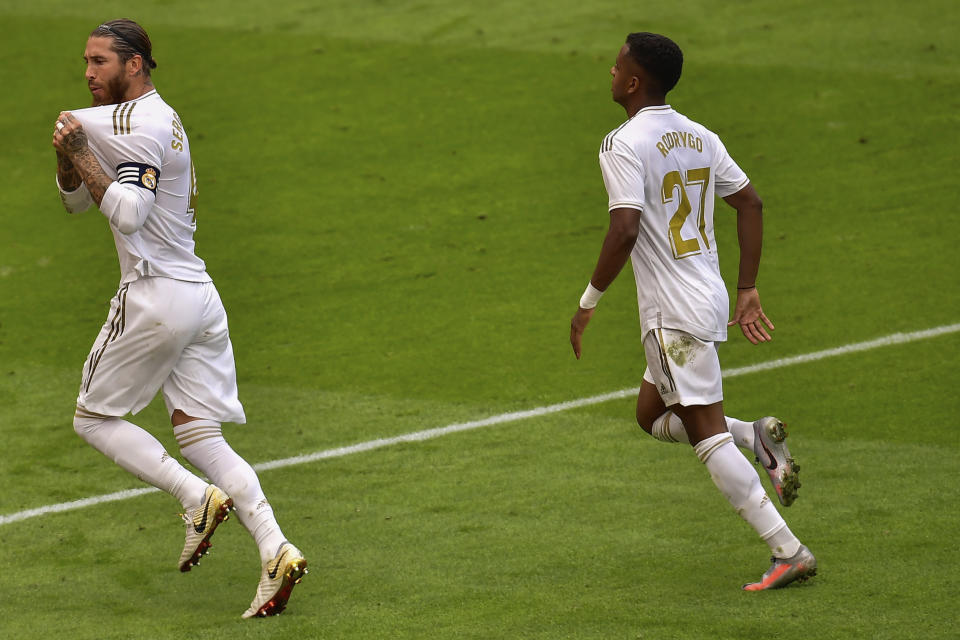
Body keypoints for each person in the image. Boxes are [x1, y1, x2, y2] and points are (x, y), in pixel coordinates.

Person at [52, 19, 307, 617]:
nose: (88, 73)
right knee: (198, 433)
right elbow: (72, 199)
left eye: (100, 63)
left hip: (155, 296)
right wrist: (69, 157)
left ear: (134, 64)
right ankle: (275, 549)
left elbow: (130, 214)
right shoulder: (141, 119)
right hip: (199, 293)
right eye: (85, 62)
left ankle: (196, 497)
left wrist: (80, 150)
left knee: (93, 419)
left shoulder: (137, 126)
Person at [569, 32, 816, 590]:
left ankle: (789, 550)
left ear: (633, 82)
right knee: (649, 415)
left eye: (616, 66)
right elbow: (748, 201)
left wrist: (588, 304)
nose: (609, 71)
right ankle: (755, 438)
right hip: (707, 297)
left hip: (671, 312)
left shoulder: (621, 143)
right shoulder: (699, 135)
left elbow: (625, 226)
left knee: (705, 436)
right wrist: (747, 287)